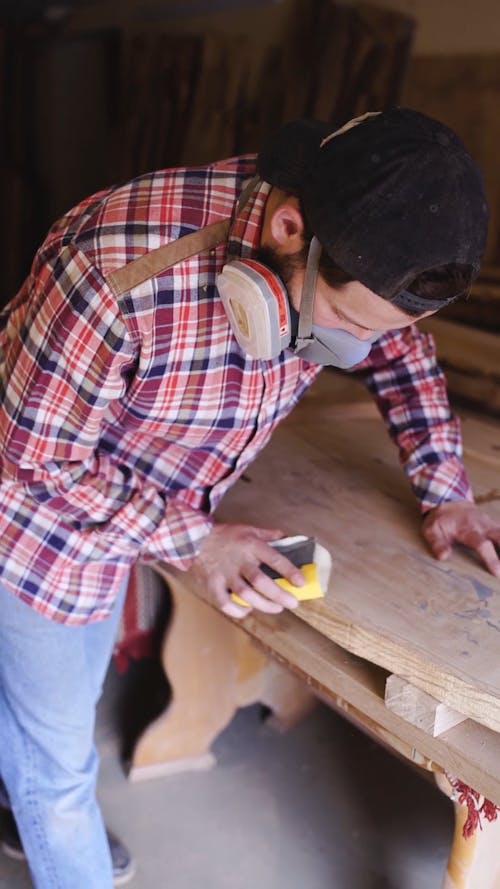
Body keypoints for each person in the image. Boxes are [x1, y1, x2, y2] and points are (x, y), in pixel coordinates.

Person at [0, 106, 499, 888]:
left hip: (136, 498)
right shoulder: (111, 268)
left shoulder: (356, 261)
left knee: (44, 722)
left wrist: (446, 490)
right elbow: (33, 462)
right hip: (35, 526)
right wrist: (193, 539)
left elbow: (400, 352)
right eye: (340, 327)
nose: (354, 352)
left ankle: (25, 793)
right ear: (289, 228)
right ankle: (47, 815)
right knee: (60, 767)